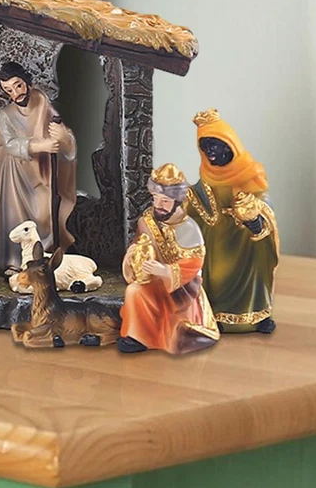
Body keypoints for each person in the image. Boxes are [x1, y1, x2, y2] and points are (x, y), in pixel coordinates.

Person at [186, 109, 279, 334]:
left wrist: (256, 219)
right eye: (204, 146)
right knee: (218, 276)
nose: (210, 151)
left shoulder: (249, 171)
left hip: (248, 239)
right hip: (218, 238)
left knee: (256, 273)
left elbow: (263, 200)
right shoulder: (206, 176)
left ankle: (258, 315)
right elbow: (196, 201)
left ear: (229, 144)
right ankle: (218, 314)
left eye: (214, 145)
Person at [117, 163, 219, 354]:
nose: (158, 205)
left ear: (177, 201)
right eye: (155, 198)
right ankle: (138, 337)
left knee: (178, 328)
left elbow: (194, 264)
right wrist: (132, 256)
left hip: (182, 290)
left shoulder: (189, 229)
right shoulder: (147, 221)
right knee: (134, 291)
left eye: (165, 201)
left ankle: (170, 335)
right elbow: (140, 246)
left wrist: (165, 271)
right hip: (154, 281)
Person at [0, 61, 77, 272]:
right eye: (8, 90)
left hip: (42, 172)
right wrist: (39, 145)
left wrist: (63, 138)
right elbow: (9, 144)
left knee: (44, 213)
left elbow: (65, 141)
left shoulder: (44, 106)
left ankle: (44, 256)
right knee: (16, 216)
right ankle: (16, 261)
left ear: (27, 82)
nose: (15, 93)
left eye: (18, 86)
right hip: (16, 173)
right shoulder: (7, 115)